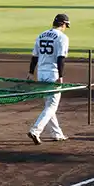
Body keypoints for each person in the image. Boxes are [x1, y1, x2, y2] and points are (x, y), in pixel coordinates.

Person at [27, 13, 71, 144]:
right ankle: (35, 130)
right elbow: (60, 58)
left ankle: (57, 134)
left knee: (49, 105)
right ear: (63, 24)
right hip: (53, 74)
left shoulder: (41, 35)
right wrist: (61, 75)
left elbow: (35, 56)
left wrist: (30, 72)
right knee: (52, 106)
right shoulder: (62, 37)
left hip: (41, 73)